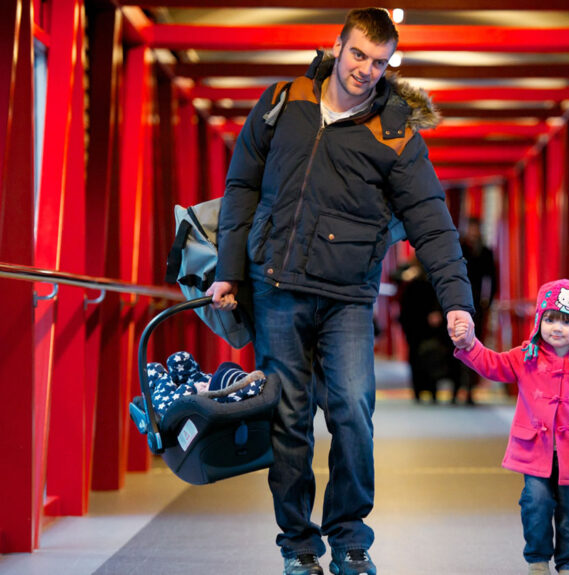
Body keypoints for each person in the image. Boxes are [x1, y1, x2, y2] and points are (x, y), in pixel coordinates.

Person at [205, 8, 474, 575]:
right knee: (289, 419)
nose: (366, 70)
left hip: (349, 297)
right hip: (276, 287)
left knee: (352, 411)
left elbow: (431, 222)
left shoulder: (395, 131)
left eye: (379, 62)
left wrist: (457, 303)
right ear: (337, 46)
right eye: (358, 55)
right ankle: (299, 547)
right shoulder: (284, 101)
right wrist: (228, 269)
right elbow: (242, 185)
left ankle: (351, 540)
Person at [451, 279, 569, 575]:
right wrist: (469, 345)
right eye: (550, 319)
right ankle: (538, 562)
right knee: (534, 505)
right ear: (539, 320)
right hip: (535, 452)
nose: (556, 328)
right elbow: (492, 365)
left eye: (567, 321)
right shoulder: (525, 357)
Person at [396, 257, 457, 403]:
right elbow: (394, 276)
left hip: (426, 321)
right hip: (415, 321)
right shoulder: (410, 271)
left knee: (431, 354)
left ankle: (429, 389)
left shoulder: (438, 271)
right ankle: (421, 390)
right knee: (419, 356)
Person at [453, 217, 498, 404]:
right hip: (458, 303)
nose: (473, 232)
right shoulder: (459, 249)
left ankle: (470, 390)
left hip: (477, 305)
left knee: (474, 346)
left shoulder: (485, 252)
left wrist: (489, 301)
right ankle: (456, 389)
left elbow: (493, 279)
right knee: (455, 344)